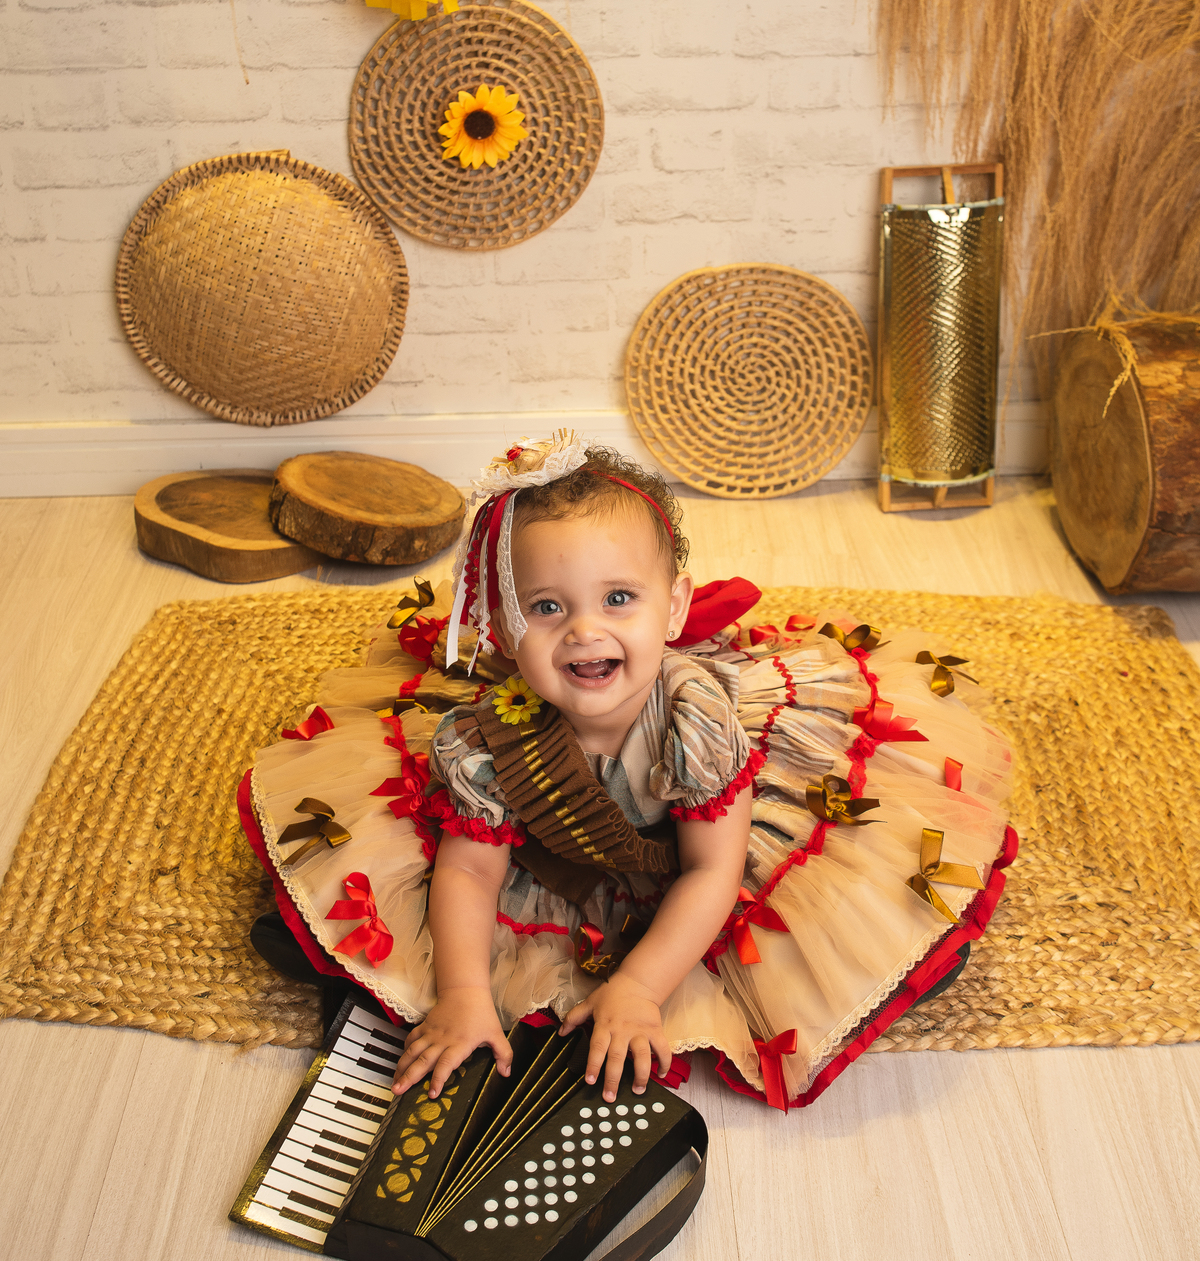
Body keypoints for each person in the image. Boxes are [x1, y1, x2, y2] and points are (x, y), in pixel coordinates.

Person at [242, 432, 1016, 1113]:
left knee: (853, 926)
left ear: (673, 608)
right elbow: (471, 873)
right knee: (392, 927)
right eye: (547, 608)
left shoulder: (693, 719)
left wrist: (640, 989)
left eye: (618, 598)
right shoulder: (481, 744)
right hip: (561, 858)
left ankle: (898, 961)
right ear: (502, 629)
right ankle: (363, 970)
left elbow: (711, 870)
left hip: (702, 851)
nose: (585, 630)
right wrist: (464, 994)